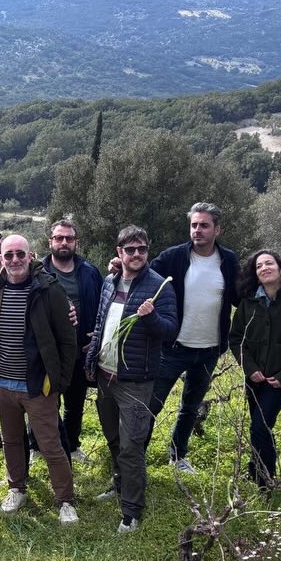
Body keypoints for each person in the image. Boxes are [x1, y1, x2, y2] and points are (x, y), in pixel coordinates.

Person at [0, 234, 79, 523]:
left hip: (38, 386)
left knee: (50, 445)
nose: (14, 260)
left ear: (30, 256)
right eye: (8, 256)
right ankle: (17, 488)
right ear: (1, 260)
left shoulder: (48, 289)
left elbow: (66, 340)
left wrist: (59, 381)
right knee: (11, 441)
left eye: (20, 254)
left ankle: (65, 501)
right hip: (2, 384)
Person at [84, 226, 178, 533]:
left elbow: (169, 331)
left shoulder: (158, 285)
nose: (136, 254)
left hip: (136, 381)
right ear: (119, 252)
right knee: (114, 439)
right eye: (130, 249)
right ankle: (119, 484)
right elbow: (100, 323)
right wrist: (91, 362)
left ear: (147, 251)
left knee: (132, 446)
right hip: (105, 376)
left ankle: (132, 511)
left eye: (141, 249)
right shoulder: (109, 282)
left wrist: (151, 316)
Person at [145, 202, 240, 472]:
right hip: (173, 347)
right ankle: (135, 457)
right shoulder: (173, 257)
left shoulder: (228, 260)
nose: (197, 230)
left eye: (204, 225)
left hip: (209, 349)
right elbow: (145, 276)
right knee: (152, 405)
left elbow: (239, 295)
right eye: (194, 225)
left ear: (217, 229)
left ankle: (178, 456)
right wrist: (119, 267)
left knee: (190, 406)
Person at [229, 251, 281, 490]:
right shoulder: (248, 302)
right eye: (259, 266)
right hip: (254, 378)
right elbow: (236, 338)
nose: (264, 268)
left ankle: (266, 480)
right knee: (259, 425)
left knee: (260, 425)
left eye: (269, 263)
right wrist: (249, 368)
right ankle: (256, 466)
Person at [36, 218, 103, 463]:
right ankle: (37, 447)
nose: (64, 242)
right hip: (46, 353)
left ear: (76, 242)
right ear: (50, 241)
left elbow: (101, 307)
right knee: (43, 404)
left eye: (69, 238)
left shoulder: (90, 271)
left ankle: (72, 446)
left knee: (75, 403)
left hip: (80, 351)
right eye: (59, 238)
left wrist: (96, 337)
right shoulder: (38, 271)